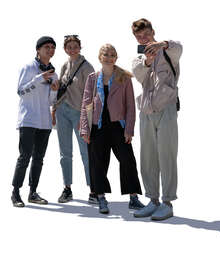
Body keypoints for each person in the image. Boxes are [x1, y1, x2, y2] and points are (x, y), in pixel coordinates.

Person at [79, 44, 144, 214]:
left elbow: (130, 106)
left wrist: (129, 129)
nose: (109, 57)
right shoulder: (92, 78)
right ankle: (101, 198)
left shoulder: (124, 78)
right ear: (100, 57)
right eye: (105, 54)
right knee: (97, 163)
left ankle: (134, 198)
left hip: (118, 126)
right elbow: (85, 104)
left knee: (128, 160)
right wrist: (84, 130)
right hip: (97, 127)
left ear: (116, 58)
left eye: (112, 55)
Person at [131, 18, 183, 220]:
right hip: (146, 112)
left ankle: (167, 203)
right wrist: (147, 61)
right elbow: (139, 74)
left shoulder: (169, 51)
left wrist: (163, 45)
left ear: (153, 32)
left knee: (167, 155)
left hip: (166, 109)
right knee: (148, 157)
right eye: (138, 36)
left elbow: (179, 47)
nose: (143, 39)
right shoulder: (138, 58)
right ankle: (152, 200)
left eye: (146, 34)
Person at [11, 36, 59, 207]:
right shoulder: (28, 67)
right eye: (47, 46)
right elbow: (21, 91)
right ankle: (16, 193)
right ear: (38, 49)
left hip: (44, 122)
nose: (50, 50)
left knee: (39, 158)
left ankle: (33, 192)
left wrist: (54, 91)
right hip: (28, 120)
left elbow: (52, 102)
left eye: (53, 47)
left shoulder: (54, 73)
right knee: (24, 157)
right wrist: (39, 79)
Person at [51, 35, 96, 203]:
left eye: (75, 46)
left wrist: (87, 116)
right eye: (69, 47)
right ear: (65, 49)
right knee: (65, 152)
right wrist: (54, 111)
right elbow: (58, 91)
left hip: (79, 112)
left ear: (80, 47)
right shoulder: (64, 65)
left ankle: (93, 190)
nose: (72, 49)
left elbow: (92, 93)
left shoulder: (87, 67)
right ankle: (67, 188)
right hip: (62, 110)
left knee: (86, 152)